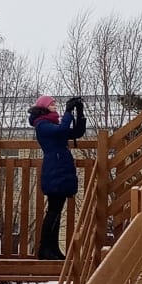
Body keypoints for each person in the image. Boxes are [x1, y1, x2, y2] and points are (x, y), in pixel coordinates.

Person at [28, 94, 87, 259]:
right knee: (54, 211)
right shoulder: (42, 125)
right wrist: (68, 112)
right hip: (55, 171)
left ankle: (51, 249)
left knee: (56, 211)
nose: (55, 106)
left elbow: (77, 132)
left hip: (59, 170)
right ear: (44, 107)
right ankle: (45, 249)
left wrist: (79, 113)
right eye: (52, 104)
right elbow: (62, 130)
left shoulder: (51, 125)